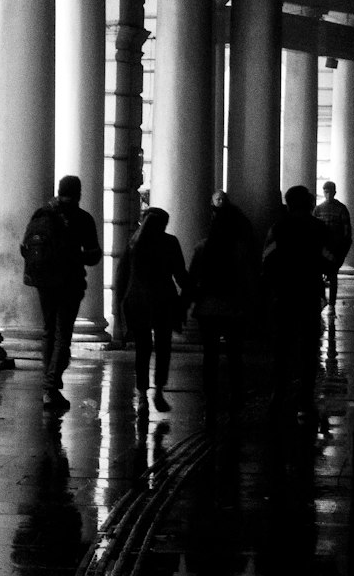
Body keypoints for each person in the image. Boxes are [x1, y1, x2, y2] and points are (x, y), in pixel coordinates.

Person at [21, 175, 102, 414]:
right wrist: (77, 257)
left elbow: (26, 248)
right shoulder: (82, 218)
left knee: (48, 331)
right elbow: (93, 255)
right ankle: (50, 386)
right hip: (69, 283)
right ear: (78, 193)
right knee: (62, 335)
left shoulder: (41, 214)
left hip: (44, 282)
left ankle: (50, 385)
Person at [262, 185, 337, 422]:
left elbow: (267, 259)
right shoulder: (318, 228)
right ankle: (305, 399)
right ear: (308, 202)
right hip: (308, 294)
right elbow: (330, 258)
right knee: (308, 349)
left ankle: (278, 394)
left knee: (282, 348)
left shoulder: (278, 227)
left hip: (284, 294)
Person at [187, 192, 259, 417]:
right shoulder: (239, 250)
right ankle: (235, 396)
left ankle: (210, 398)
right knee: (234, 355)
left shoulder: (202, 247)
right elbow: (248, 280)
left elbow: (191, 280)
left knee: (210, 356)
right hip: (233, 309)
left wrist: (183, 306)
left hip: (208, 308)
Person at [116, 206, 189, 413]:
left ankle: (141, 396)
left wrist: (120, 306)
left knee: (142, 349)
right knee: (163, 347)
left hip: (137, 303)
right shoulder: (170, 242)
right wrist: (193, 291)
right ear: (164, 224)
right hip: (164, 301)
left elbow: (121, 278)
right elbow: (181, 275)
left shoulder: (133, 244)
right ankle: (158, 392)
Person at [313, 179, 353, 320]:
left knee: (323, 276)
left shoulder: (318, 209)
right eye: (326, 191)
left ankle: (326, 302)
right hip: (334, 250)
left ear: (334, 192)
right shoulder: (341, 209)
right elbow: (347, 234)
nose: (328, 194)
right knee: (332, 276)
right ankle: (330, 305)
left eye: (329, 191)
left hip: (325, 250)